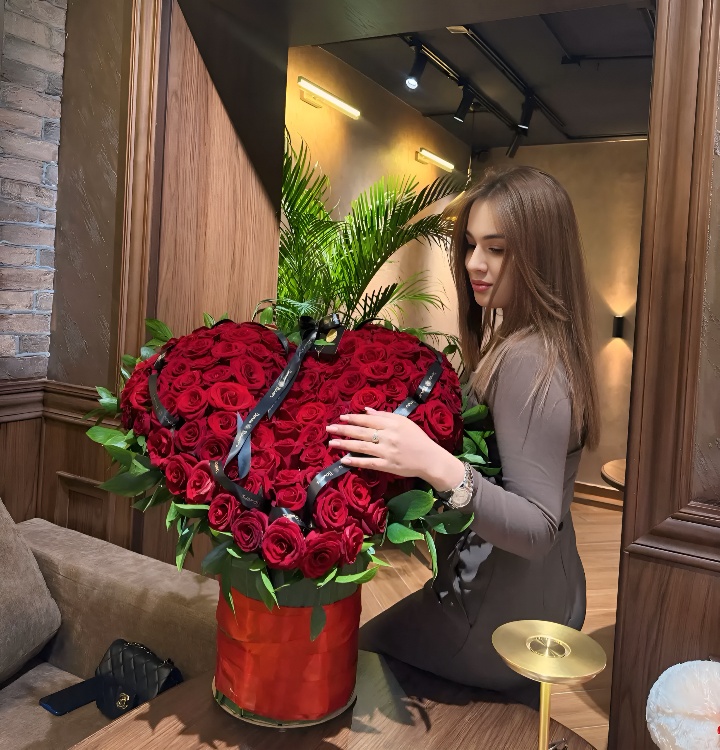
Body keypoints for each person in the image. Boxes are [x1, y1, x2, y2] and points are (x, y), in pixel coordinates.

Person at [325, 165, 600, 704]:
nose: (474, 262)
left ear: (541, 255)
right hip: (543, 590)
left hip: (498, 612)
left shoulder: (528, 359)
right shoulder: (543, 344)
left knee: (348, 654)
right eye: (471, 245)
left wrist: (432, 461)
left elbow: (537, 526)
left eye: (496, 249)